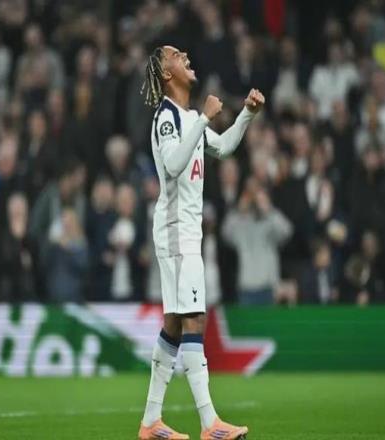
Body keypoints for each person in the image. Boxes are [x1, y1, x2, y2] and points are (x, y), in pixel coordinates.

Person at [138, 45, 264, 440]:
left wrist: (246, 115)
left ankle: (151, 422)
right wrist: (206, 117)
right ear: (166, 73)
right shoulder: (166, 117)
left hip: (187, 232)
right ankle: (210, 424)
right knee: (194, 318)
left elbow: (223, 147)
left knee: (175, 325)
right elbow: (173, 164)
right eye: (176, 55)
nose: (185, 55)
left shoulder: (190, 118)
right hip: (176, 231)